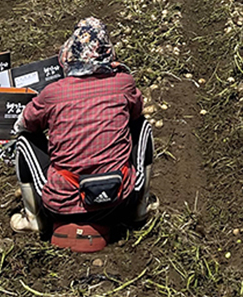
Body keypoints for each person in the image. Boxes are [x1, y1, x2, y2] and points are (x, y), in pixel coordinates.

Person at [10, 17, 155, 250]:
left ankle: (34, 220)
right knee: (142, 127)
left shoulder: (53, 93)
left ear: (69, 55)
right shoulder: (123, 84)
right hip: (117, 199)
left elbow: (25, 124)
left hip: (63, 202)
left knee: (25, 140)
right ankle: (139, 209)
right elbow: (136, 113)